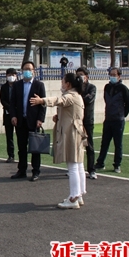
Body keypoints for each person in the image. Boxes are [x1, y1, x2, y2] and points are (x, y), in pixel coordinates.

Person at [30, 73, 87, 209]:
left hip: (72, 133)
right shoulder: (77, 96)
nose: (61, 84)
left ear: (68, 84)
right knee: (78, 165)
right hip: (77, 131)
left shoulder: (71, 96)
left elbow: (58, 100)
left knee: (73, 166)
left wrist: (42, 101)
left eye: (63, 82)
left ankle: (74, 197)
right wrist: (59, 117)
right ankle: (78, 195)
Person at [9, 61, 46, 181]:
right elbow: (12, 103)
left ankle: (36, 171)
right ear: (22, 70)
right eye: (25, 69)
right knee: (22, 147)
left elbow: (43, 104)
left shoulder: (39, 85)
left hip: (34, 121)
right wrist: (13, 116)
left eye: (30, 69)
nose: (27, 71)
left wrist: (40, 119)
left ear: (34, 71)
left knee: (35, 148)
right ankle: (22, 170)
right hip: (20, 121)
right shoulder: (17, 85)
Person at [95, 67, 129, 174]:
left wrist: (122, 115)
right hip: (108, 119)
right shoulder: (107, 87)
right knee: (104, 143)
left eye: (114, 75)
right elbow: (106, 100)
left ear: (119, 76)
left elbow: (128, 104)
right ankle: (100, 163)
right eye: (111, 75)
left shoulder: (123, 89)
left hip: (118, 120)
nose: (112, 77)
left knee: (118, 144)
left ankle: (117, 164)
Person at [75, 67, 97, 180]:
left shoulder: (91, 87)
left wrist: (78, 99)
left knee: (89, 145)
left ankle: (91, 170)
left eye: (81, 74)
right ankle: (76, 169)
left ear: (86, 76)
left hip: (88, 120)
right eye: (78, 75)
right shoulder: (75, 88)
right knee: (76, 145)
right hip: (77, 120)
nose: (79, 77)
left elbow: (88, 100)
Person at [0, 68, 17, 163]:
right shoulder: (4, 87)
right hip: (7, 113)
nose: (11, 77)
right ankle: (11, 155)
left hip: (18, 114)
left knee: (20, 136)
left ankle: (22, 155)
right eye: (9, 75)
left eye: (13, 75)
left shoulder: (19, 86)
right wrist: (10, 108)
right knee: (9, 136)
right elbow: (2, 100)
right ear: (6, 76)